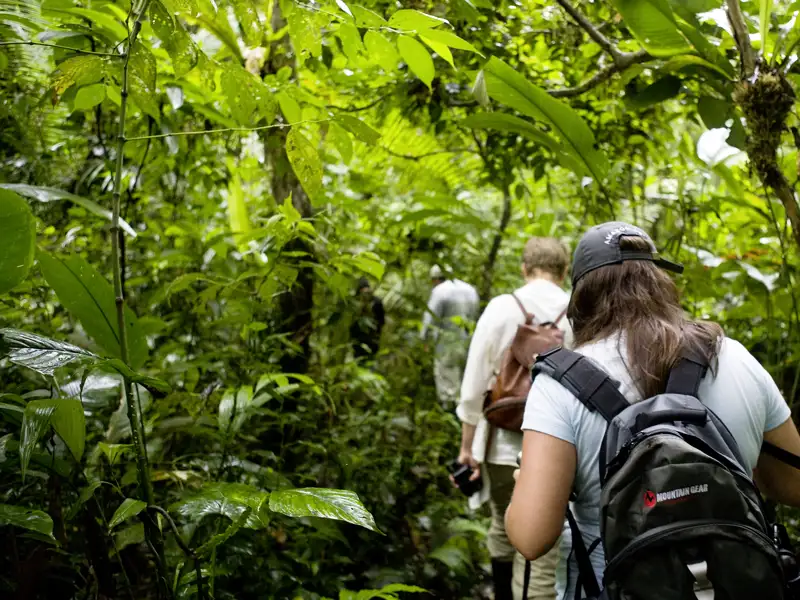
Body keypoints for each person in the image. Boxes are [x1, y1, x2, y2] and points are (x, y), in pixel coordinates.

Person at [506, 222, 800, 600]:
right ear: (660, 280)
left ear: (580, 297)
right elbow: (792, 484)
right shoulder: (733, 357)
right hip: (734, 584)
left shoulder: (558, 386)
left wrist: (524, 487)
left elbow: (531, 538)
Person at [456, 238, 573, 600]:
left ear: (524, 269)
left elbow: (473, 383)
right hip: (557, 448)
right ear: (564, 271)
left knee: (502, 523)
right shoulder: (577, 310)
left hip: (499, 444)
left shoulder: (502, 307)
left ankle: (501, 594)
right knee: (546, 543)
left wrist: (466, 448)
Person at [421, 265, 479, 406]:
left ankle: (449, 411)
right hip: (468, 342)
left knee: (446, 377)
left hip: (446, 343)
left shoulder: (439, 291)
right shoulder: (470, 290)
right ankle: (465, 410)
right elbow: (475, 316)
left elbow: (430, 318)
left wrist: (424, 339)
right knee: (464, 376)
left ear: (435, 279)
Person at [350, 277, 385, 360]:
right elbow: (382, 321)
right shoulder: (357, 301)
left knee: (363, 361)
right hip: (366, 338)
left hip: (367, 338)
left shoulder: (356, 301)